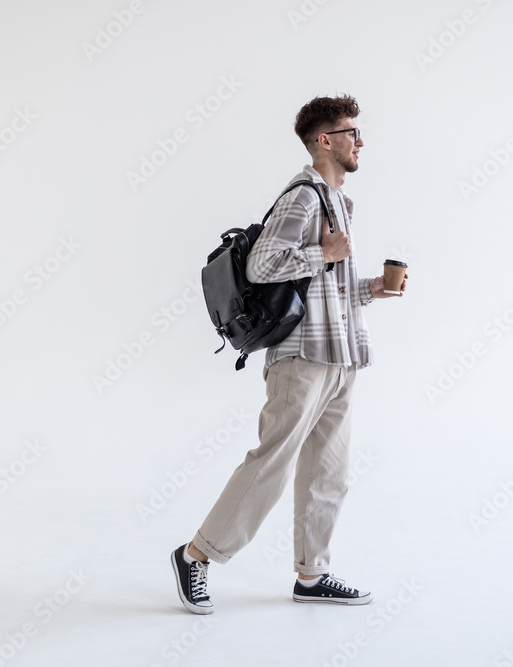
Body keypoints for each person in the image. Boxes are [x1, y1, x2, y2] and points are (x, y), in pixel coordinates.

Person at [171, 94, 405, 614]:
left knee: (330, 471)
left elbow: (323, 287)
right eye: (351, 133)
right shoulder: (303, 197)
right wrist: (326, 251)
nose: (360, 141)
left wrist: (369, 288)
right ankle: (196, 556)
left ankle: (312, 573)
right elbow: (261, 267)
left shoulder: (337, 201)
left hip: (340, 356)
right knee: (271, 464)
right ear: (325, 140)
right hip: (301, 359)